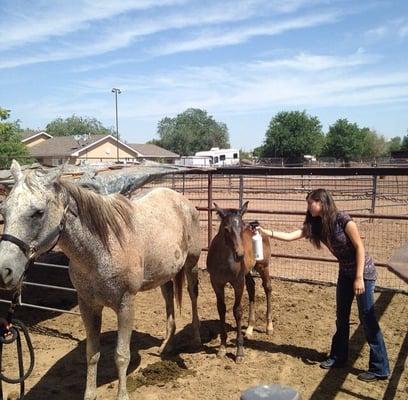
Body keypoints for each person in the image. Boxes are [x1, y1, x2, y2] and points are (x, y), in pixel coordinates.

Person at [255, 188, 390, 382]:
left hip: (363, 273)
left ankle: (380, 367)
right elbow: (292, 235)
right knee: (341, 316)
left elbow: (360, 247)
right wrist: (265, 231)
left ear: (322, 202)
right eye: (308, 203)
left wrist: (359, 277)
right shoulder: (317, 224)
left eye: (311, 203)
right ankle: (338, 356)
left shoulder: (343, 220)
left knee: (367, 317)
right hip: (345, 272)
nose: (308, 207)